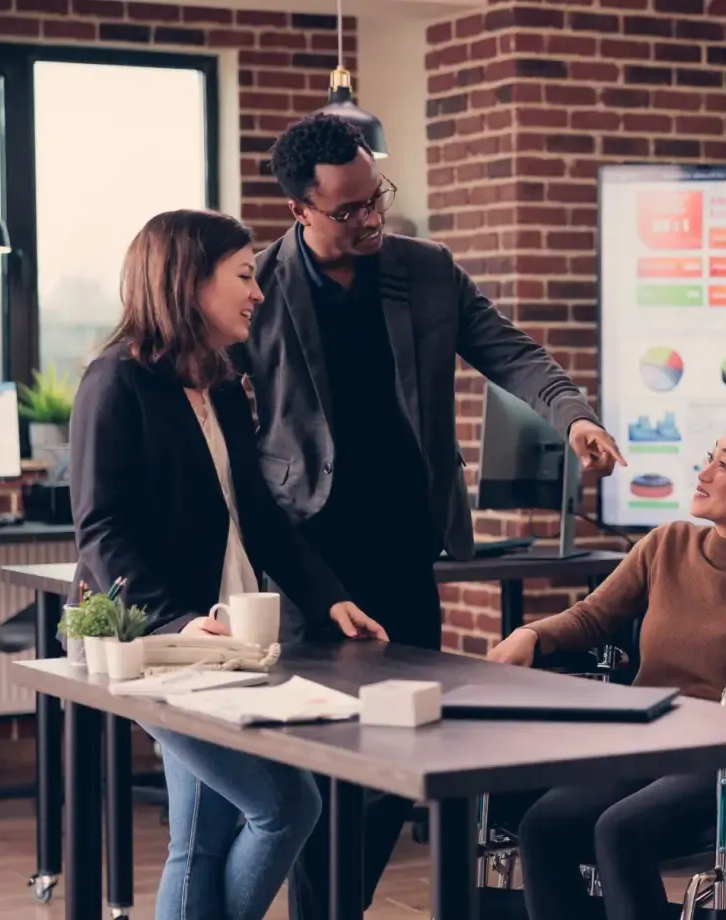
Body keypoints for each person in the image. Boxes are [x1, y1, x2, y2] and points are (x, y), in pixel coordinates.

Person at [239, 113, 626, 920]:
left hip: (406, 541)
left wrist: (574, 415)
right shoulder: (260, 287)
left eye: (374, 197)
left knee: (399, 744)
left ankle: (338, 904)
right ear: (299, 211)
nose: (372, 218)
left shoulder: (425, 270)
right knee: (315, 754)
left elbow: (512, 351)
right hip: (304, 550)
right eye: (348, 210)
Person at [70, 209, 387, 920]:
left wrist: (328, 596)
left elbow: (261, 517)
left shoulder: (217, 383)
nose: (258, 292)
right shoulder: (112, 383)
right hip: (154, 643)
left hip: (222, 643)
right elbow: (102, 531)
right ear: (188, 282)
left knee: (202, 838)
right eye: (244, 276)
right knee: (284, 805)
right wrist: (180, 621)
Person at [485, 421, 726, 920]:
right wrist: (533, 635)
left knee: (620, 830)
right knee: (543, 825)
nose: (705, 471)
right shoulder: (667, 544)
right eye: (710, 455)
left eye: (724, 464)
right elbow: (593, 616)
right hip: (648, 740)